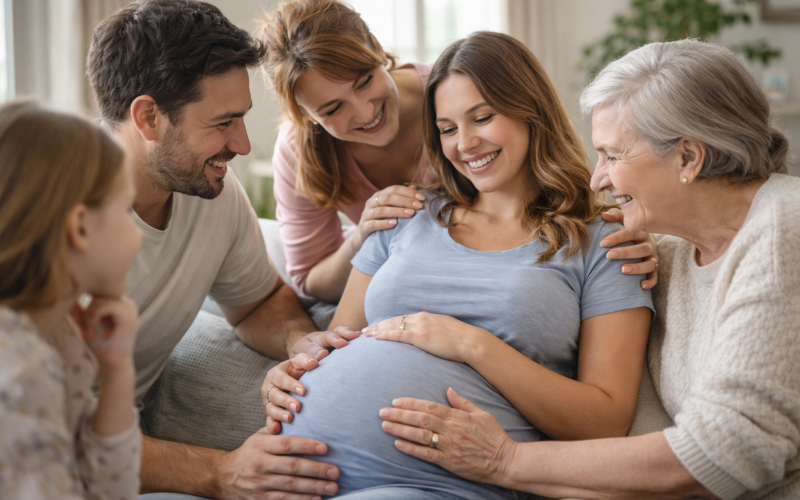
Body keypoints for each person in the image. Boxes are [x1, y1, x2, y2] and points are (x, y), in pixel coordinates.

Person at [376, 39, 800, 500]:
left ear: (688, 158)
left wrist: (504, 460)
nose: (597, 179)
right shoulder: (669, 247)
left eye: (613, 156)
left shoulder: (781, 234)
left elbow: (721, 457)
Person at [261, 31, 654, 499]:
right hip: (285, 472)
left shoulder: (602, 242)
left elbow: (605, 421)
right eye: (447, 129)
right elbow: (332, 346)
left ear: (530, 109)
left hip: (435, 485)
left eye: (482, 118)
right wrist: (294, 370)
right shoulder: (405, 215)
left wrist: (472, 344)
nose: (465, 144)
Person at [86, 1, 351, 498]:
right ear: (148, 117)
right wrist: (219, 472)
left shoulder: (214, 194)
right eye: (223, 122)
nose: (244, 144)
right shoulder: (42, 225)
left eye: (243, 118)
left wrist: (298, 339)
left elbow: (256, 302)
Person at [259, 0, 658, 303]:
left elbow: (551, 175)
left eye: (364, 81)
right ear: (306, 116)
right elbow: (312, 282)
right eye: (332, 109)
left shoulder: (454, 91)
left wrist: (623, 233)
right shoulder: (300, 151)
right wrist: (364, 234)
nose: (364, 113)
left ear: (378, 48)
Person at [0, 102, 142, 499]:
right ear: (80, 227)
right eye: (124, 211)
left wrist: (116, 371)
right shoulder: (18, 373)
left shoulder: (60, 334)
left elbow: (104, 489)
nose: (139, 235)